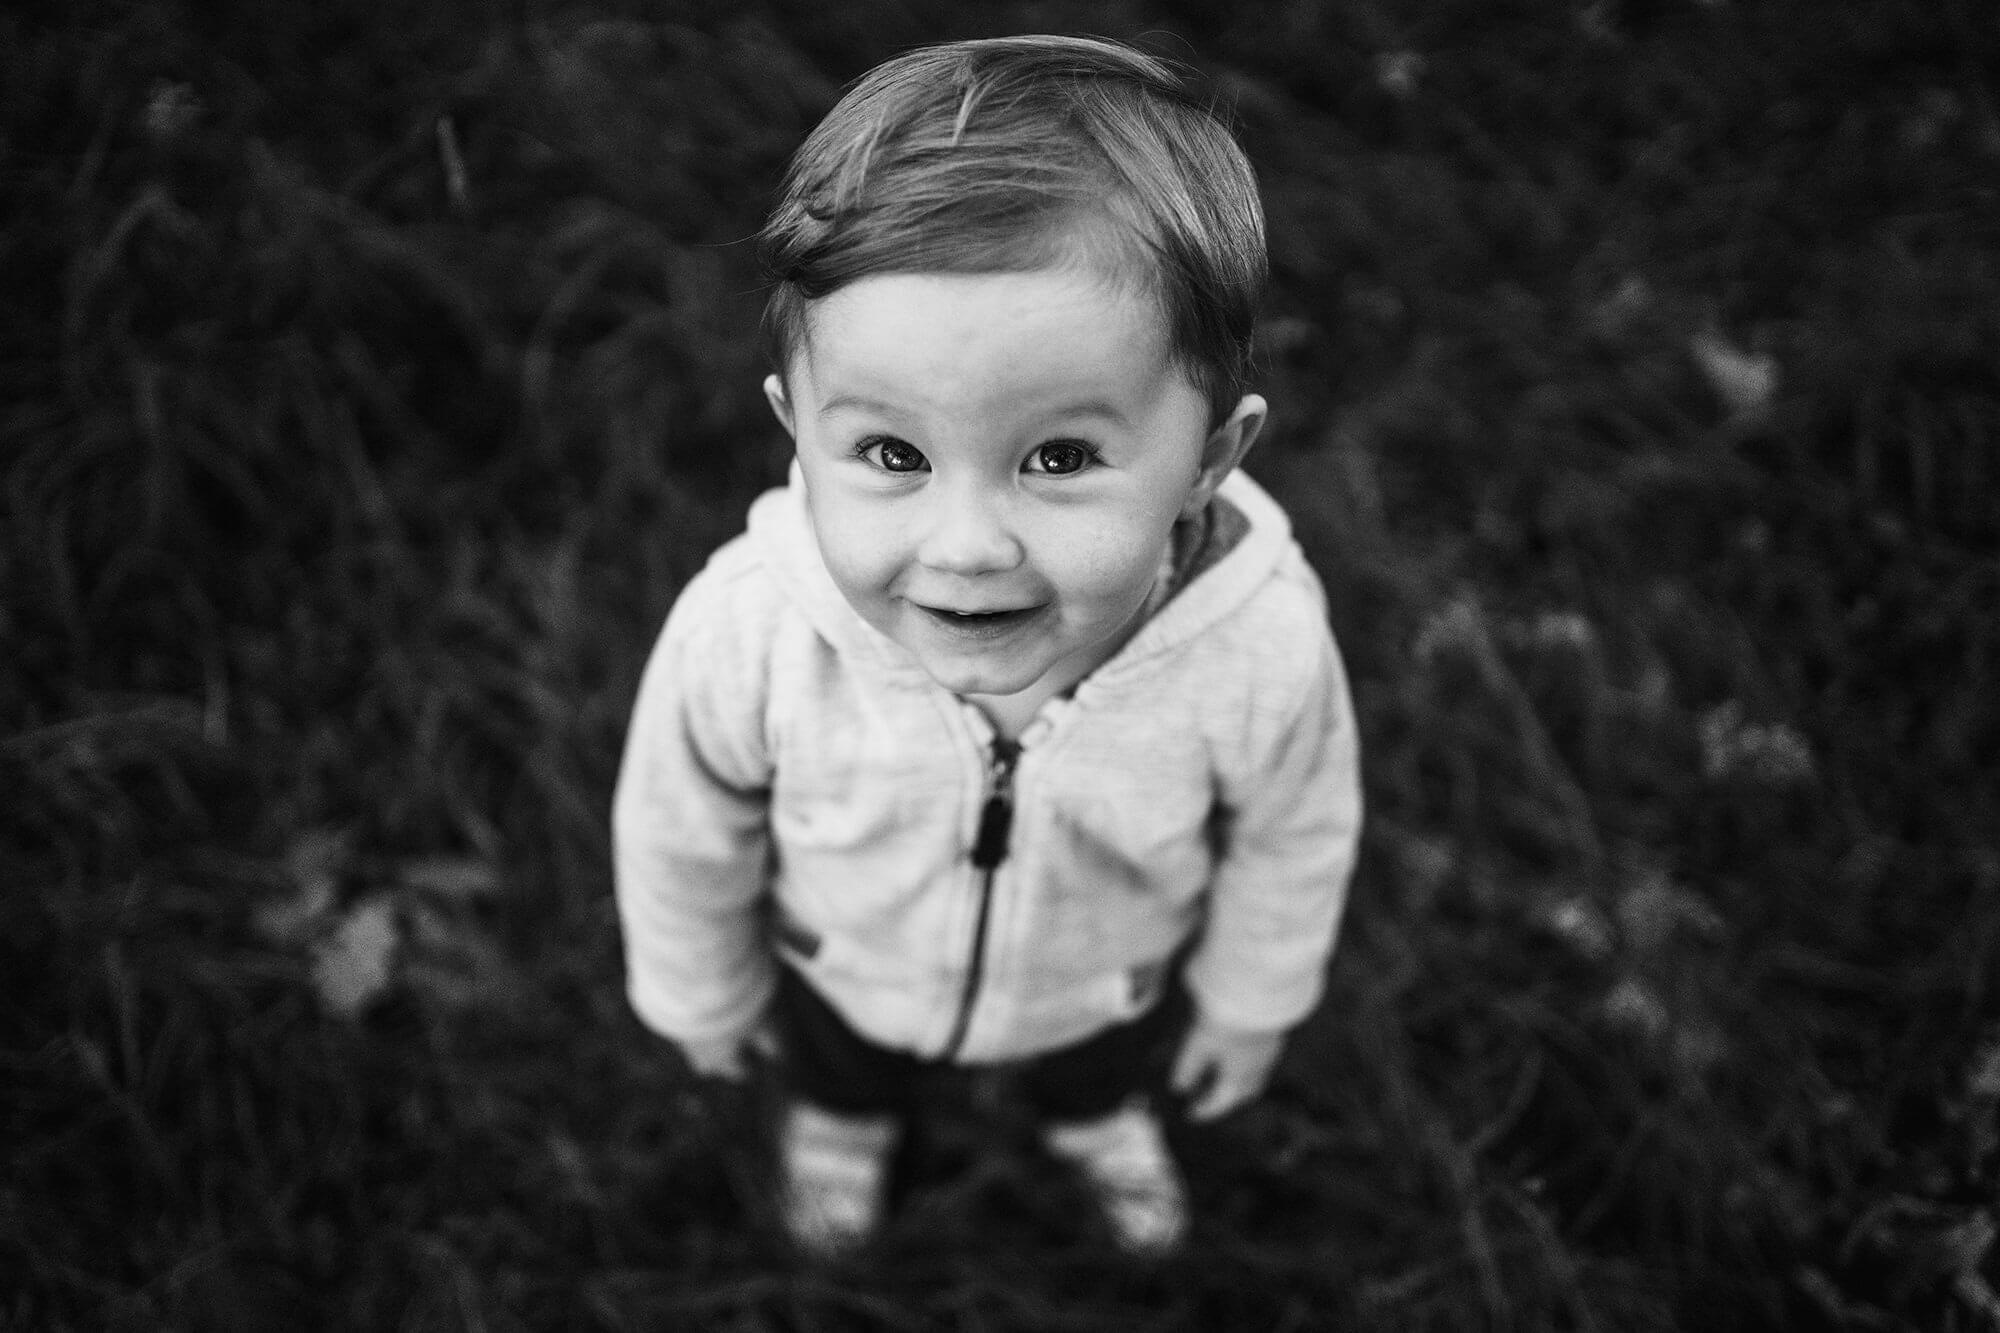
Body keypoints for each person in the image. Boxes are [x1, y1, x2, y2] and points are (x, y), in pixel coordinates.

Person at [612, 34, 1362, 1258]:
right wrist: (699, 989)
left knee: (1095, 1062)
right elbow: (677, 822)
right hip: (844, 962)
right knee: (839, 1060)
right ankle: (841, 1126)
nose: (964, 546)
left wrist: (1247, 999)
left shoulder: (1256, 641)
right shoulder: (751, 626)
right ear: (795, 430)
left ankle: (1094, 1118)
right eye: (891, 454)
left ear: (1209, 460)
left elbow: (1296, 830)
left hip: (1103, 978)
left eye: (1057, 458)